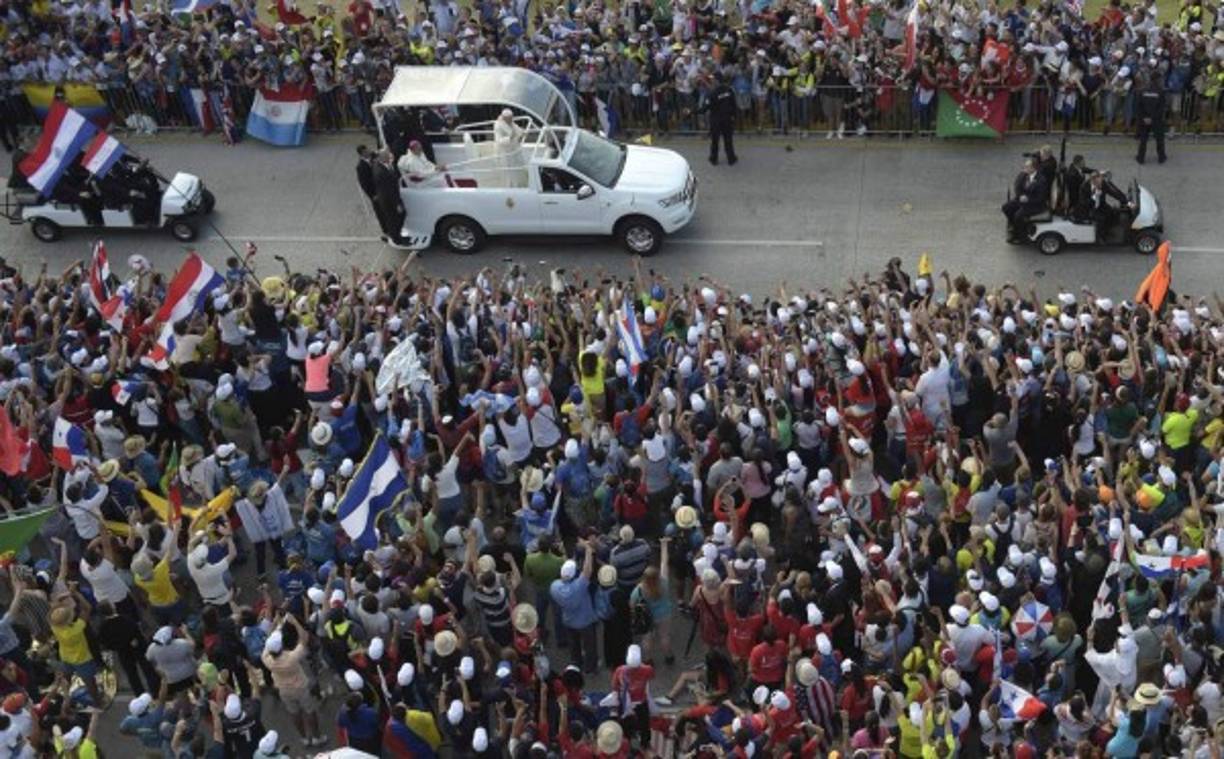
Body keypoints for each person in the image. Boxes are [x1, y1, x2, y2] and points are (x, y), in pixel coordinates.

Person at [1001, 157, 1049, 241]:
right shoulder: (1024, 174)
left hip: (1035, 204)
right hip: (1022, 199)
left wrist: (1028, 199)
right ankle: (1013, 225)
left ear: (1033, 168)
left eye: (1027, 167)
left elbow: (1040, 198)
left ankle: (1021, 235)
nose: (1024, 168)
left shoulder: (1041, 180)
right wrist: (1020, 196)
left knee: (1018, 215)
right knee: (1006, 207)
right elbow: (1017, 187)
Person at [1076, 171, 1130, 241]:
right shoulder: (1084, 187)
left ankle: (1107, 230)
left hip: (1101, 205)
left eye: (1101, 183)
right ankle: (1100, 237)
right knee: (1101, 219)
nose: (1100, 186)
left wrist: (1126, 201)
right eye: (1098, 184)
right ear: (1092, 181)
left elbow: (1113, 193)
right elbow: (1084, 202)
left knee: (1112, 213)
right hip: (1090, 209)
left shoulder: (1102, 183)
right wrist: (1094, 197)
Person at [698, 73, 738, 165]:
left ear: (717, 80)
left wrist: (692, 112)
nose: (711, 81)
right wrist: (734, 117)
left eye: (713, 79)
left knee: (715, 141)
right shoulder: (729, 90)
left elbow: (704, 108)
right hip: (727, 119)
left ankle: (713, 159)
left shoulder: (712, 93)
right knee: (728, 140)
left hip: (716, 121)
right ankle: (731, 158)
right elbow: (734, 105)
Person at [1136, 78, 1168, 164]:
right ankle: (1161, 157)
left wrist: (1144, 117)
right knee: (1159, 139)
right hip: (1156, 119)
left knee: (1143, 139)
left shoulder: (1142, 91)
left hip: (1144, 119)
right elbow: (1161, 108)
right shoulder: (1161, 92)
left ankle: (1140, 158)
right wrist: (1152, 118)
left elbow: (1139, 106)